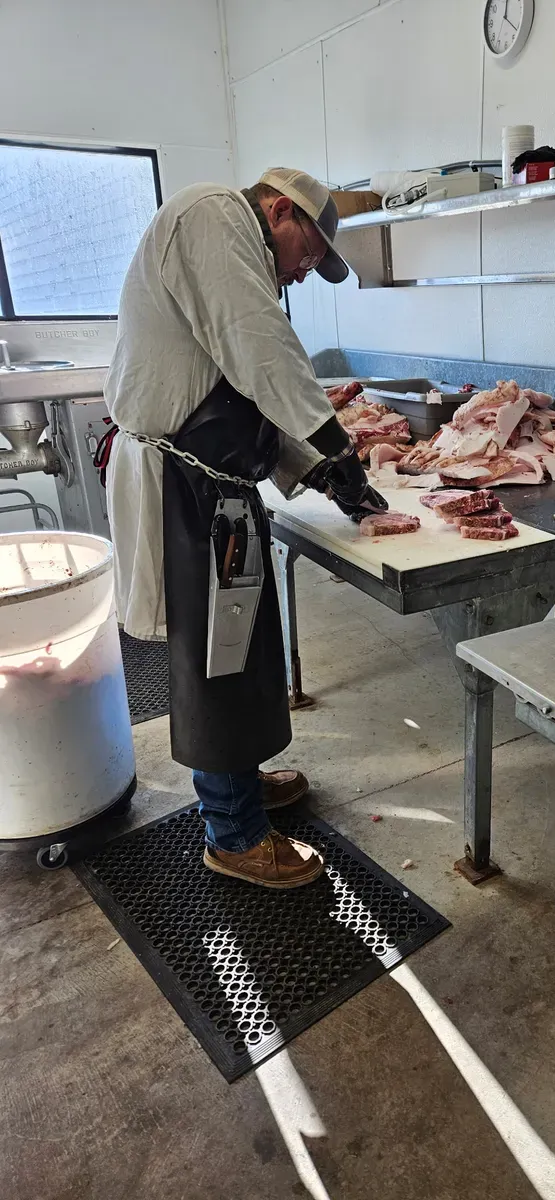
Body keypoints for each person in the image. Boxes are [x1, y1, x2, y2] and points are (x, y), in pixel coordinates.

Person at [104, 168, 385, 889]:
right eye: (305, 254)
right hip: (182, 487)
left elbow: (246, 393)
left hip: (215, 483)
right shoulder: (213, 217)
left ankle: (241, 785)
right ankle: (232, 834)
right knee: (215, 661)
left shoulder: (236, 250)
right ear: (280, 209)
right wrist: (335, 451)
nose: (300, 273)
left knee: (243, 645)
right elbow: (261, 350)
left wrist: (325, 474)